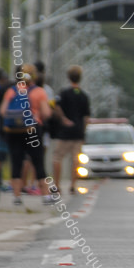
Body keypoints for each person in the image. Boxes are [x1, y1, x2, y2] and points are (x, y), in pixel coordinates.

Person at [0, 64, 55, 206]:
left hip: (14, 131)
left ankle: (17, 197)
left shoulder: (12, 91)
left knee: (16, 162)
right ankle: (46, 196)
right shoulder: (39, 92)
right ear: (34, 76)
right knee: (38, 161)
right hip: (33, 129)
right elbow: (47, 113)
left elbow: (2, 111)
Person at [51, 65, 91, 195]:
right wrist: (83, 132)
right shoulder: (84, 96)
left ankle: (57, 185)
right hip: (78, 131)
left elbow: (55, 106)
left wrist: (63, 119)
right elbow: (86, 117)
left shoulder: (64, 93)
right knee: (75, 159)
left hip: (65, 132)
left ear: (69, 78)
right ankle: (73, 185)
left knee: (57, 157)